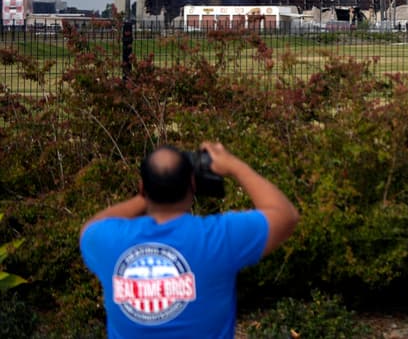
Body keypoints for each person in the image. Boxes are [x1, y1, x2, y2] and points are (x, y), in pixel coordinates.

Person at [80, 142, 299, 338]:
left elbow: (93, 225)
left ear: (142, 188)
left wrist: (150, 193)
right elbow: (285, 215)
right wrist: (233, 165)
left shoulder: (107, 241)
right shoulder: (218, 238)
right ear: (193, 185)